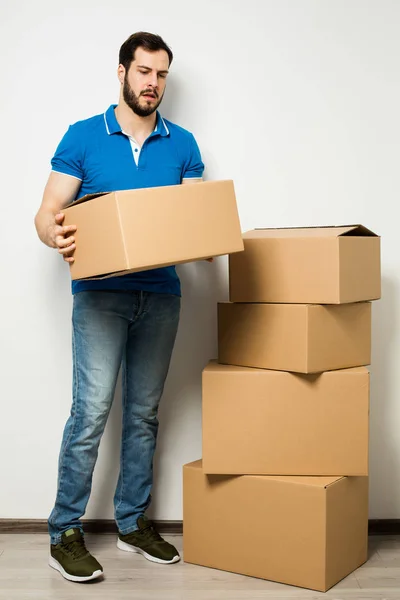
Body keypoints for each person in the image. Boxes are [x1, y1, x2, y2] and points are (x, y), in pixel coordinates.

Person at [34, 31, 207, 583]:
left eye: (161, 75)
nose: (152, 84)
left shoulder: (183, 145)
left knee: (143, 414)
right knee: (90, 414)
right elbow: (47, 212)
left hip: (161, 296)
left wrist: (206, 239)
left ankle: (132, 523)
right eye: (143, 72)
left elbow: (193, 223)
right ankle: (65, 529)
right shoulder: (84, 136)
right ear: (121, 73)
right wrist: (54, 236)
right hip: (100, 298)